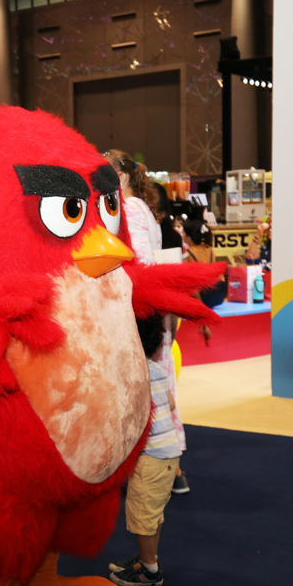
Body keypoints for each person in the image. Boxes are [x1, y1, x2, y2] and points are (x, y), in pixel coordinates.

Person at [105, 149, 187, 475]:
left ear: (120, 178)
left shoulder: (126, 209)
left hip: (140, 311)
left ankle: (160, 465)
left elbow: (140, 260)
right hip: (152, 307)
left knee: (143, 386)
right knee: (157, 382)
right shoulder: (142, 209)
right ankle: (169, 467)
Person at [107, 315, 181, 586]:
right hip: (169, 455)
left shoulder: (132, 375)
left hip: (151, 457)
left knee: (141, 515)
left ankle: (150, 571)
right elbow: (171, 405)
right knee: (152, 514)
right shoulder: (156, 369)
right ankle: (149, 558)